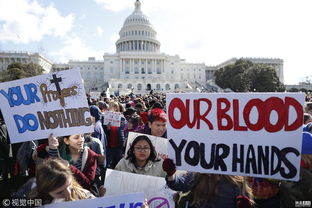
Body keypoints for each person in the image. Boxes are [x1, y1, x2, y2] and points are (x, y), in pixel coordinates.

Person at [162, 159, 253, 208]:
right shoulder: (198, 174)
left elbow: (245, 200)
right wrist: (170, 174)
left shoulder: (237, 181)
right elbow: (177, 184)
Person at [36, 134, 104, 194]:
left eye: (82, 136)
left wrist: (69, 167)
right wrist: (38, 150)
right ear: (66, 141)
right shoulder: (58, 153)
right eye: (76, 138)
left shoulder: (90, 156)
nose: (81, 140)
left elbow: (88, 184)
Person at [29, 158, 94, 205]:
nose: (68, 193)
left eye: (69, 185)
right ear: (45, 191)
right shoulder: (34, 202)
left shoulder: (83, 195)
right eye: (60, 192)